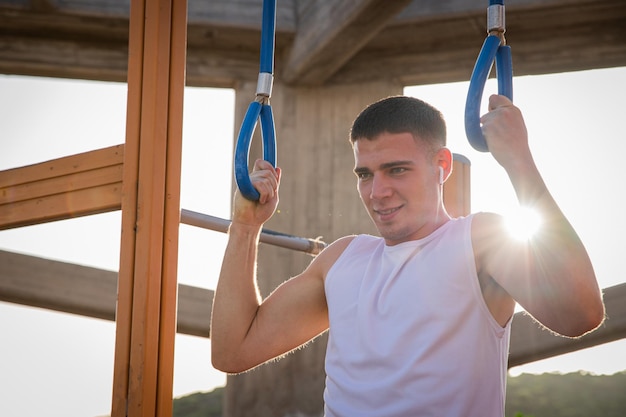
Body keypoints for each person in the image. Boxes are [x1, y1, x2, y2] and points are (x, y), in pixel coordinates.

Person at [210, 95, 605, 416]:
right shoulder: (342, 258)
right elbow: (234, 350)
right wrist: (245, 228)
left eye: (396, 170)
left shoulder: (480, 240)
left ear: (441, 165)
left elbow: (581, 314)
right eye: (365, 174)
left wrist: (518, 159)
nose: (376, 192)